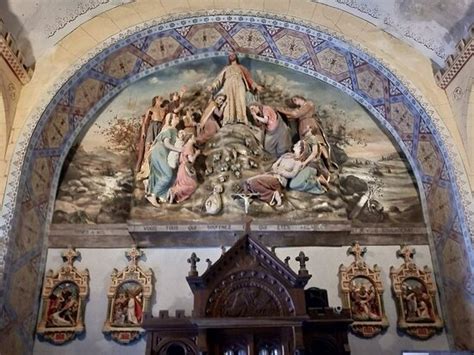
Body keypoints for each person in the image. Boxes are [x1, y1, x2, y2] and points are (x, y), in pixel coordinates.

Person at [244, 140, 318, 206]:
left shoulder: (298, 163)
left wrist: (281, 172)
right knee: (248, 181)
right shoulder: (287, 155)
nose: (295, 145)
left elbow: (292, 174)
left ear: (301, 150)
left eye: (297, 145)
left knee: (254, 182)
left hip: (279, 180)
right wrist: (275, 168)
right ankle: (248, 196)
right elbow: (275, 164)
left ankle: (272, 195)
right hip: (272, 174)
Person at [210, 52, 262, 125]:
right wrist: (213, 86)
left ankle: (241, 118)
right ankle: (228, 119)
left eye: (233, 54)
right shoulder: (226, 68)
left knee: (240, 99)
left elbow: (249, 78)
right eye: (230, 55)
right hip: (228, 84)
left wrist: (256, 86)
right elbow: (219, 79)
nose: (231, 56)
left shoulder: (241, 67)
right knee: (228, 100)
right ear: (228, 58)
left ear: (236, 56)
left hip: (239, 83)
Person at [146, 113, 182, 206]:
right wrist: (179, 150)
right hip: (159, 152)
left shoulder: (174, 130)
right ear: (170, 120)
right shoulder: (168, 129)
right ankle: (152, 195)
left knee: (173, 176)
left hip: (165, 154)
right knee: (168, 175)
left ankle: (164, 196)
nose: (177, 118)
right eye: (175, 117)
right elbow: (167, 144)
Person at [135, 96, 169, 171]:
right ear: (156, 99)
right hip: (152, 127)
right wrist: (143, 131)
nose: (161, 99)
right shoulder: (151, 109)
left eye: (162, 98)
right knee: (148, 145)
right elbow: (145, 122)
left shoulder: (164, 110)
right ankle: (144, 166)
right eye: (160, 98)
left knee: (158, 146)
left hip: (160, 127)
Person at [168, 133, 201, 203]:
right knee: (193, 185)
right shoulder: (189, 147)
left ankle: (174, 192)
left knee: (183, 184)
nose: (195, 139)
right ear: (190, 139)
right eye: (194, 137)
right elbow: (191, 159)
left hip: (181, 169)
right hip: (185, 169)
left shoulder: (185, 146)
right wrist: (196, 154)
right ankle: (174, 191)